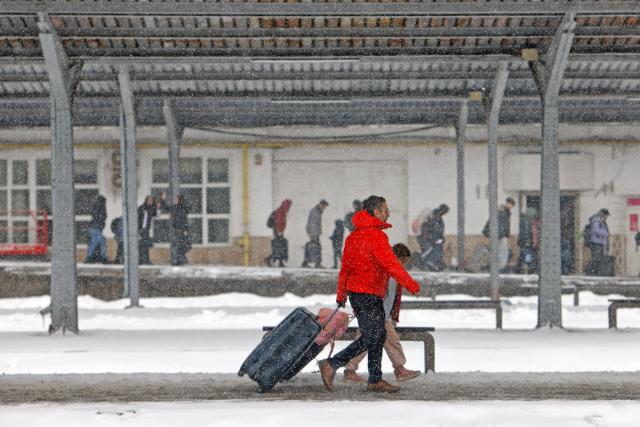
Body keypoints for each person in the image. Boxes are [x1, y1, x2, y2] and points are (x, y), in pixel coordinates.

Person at [318, 195, 421, 394]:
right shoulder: (376, 236)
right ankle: (332, 363)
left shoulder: (353, 237)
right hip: (369, 294)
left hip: (358, 295)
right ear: (375, 212)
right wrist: (412, 285)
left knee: (377, 335)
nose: (388, 213)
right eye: (384, 210)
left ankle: (375, 379)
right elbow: (391, 264)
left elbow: (345, 269)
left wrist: (342, 294)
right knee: (374, 336)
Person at [343, 243, 421, 384]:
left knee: (373, 342)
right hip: (376, 315)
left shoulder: (390, 273)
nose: (403, 265)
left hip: (379, 315)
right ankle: (397, 369)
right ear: (396, 258)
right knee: (377, 342)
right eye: (403, 261)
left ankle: (351, 369)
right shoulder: (386, 272)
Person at [482, 197, 515, 272]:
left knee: (500, 252)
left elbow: (503, 224)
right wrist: (503, 234)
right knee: (503, 252)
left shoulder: (504, 211)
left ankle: (497, 267)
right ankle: (500, 268)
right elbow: (501, 225)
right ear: (508, 203)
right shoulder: (503, 212)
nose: (511, 207)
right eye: (511, 204)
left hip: (499, 235)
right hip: (500, 235)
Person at [417, 204, 449, 271]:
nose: (445, 213)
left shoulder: (438, 216)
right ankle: (430, 263)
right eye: (445, 211)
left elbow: (438, 230)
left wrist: (441, 237)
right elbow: (426, 227)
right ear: (442, 210)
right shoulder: (434, 216)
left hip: (434, 239)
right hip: (430, 239)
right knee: (432, 251)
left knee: (436, 251)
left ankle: (435, 264)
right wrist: (428, 237)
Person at [264, 199, 292, 267]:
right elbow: (279, 222)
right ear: (286, 205)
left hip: (279, 230)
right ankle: (277, 261)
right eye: (289, 206)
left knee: (279, 246)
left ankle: (272, 259)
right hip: (278, 230)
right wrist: (279, 231)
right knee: (280, 246)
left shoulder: (282, 210)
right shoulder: (280, 211)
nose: (289, 208)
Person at [302, 199, 328, 268]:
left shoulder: (317, 211)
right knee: (316, 247)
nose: (325, 208)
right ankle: (316, 263)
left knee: (313, 247)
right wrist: (313, 234)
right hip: (314, 233)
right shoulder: (315, 211)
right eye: (324, 206)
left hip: (315, 232)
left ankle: (308, 262)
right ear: (321, 205)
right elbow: (312, 223)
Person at [167, 194, 191, 266]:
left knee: (179, 245)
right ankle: (180, 260)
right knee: (178, 245)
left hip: (180, 230)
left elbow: (184, 220)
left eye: (176, 199)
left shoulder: (181, 208)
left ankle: (180, 260)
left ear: (179, 200)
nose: (175, 200)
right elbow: (167, 208)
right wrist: (162, 201)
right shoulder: (176, 207)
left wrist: (185, 229)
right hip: (177, 229)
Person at [585, 208, 610, 276]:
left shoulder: (600, 220)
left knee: (598, 258)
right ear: (603, 214)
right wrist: (605, 233)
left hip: (599, 243)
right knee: (596, 258)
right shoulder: (596, 220)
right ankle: (590, 272)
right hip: (596, 242)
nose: (607, 217)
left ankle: (594, 272)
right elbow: (595, 230)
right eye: (606, 215)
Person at [85, 195, 108, 263]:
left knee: (96, 243)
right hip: (96, 228)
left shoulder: (96, 205)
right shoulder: (101, 206)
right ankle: (102, 258)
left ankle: (92, 258)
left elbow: (96, 216)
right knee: (98, 243)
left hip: (95, 227)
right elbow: (100, 217)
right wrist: (100, 224)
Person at [138, 195, 160, 265]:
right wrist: (139, 229)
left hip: (146, 230)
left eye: (151, 201)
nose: (150, 202)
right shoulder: (142, 208)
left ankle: (145, 260)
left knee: (145, 245)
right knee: (142, 245)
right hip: (141, 229)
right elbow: (138, 218)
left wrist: (158, 208)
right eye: (149, 200)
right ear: (146, 200)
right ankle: (142, 260)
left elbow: (157, 215)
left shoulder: (151, 209)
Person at [517, 207, 538, 274]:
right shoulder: (528, 221)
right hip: (527, 242)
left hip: (523, 241)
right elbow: (529, 232)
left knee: (523, 254)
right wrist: (531, 241)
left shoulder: (523, 219)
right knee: (527, 255)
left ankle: (521, 269)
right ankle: (527, 268)